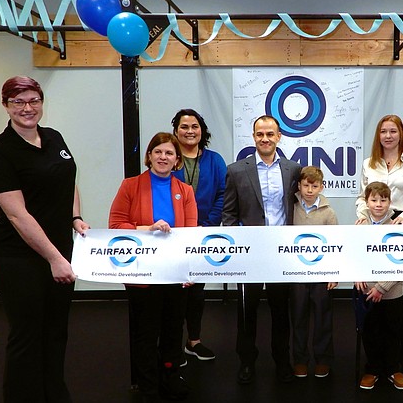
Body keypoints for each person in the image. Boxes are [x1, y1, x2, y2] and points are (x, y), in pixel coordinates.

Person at [0, 76, 90, 403]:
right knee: (27, 337)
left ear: (41, 102)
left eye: (33, 101)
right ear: (6, 106)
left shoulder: (54, 136)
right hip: (17, 259)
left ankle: (54, 395)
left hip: (59, 252)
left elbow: (68, 180)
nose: (27, 108)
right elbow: (18, 215)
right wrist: (54, 258)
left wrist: (75, 218)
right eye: (18, 102)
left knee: (55, 333)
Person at [109, 132, 197, 403]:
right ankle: (147, 384)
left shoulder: (186, 191)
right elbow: (116, 225)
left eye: (169, 153)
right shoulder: (130, 186)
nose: (163, 157)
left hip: (173, 274)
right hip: (142, 273)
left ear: (177, 161)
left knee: (172, 331)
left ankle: (170, 377)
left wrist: (190, 271)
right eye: (158, 152)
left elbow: (191, 234)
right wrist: (146, 229)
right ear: (149, 156)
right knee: (145, 333)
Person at [222, 114, 302, 384]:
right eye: (260, 134)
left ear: (279, 136)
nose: (265, 139)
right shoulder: (236, 170)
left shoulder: (294, 169)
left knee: (281, 311)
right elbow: (229, 214)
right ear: (253, 137)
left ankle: (282, 361)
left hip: (281, 251)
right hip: (250, 252)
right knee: (247, 311)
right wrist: (233, 252)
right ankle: (246, 362)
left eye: (270, 134)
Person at [355, 114, 403, 372]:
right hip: (374, 226)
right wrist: (363, 217)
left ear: (401, 134)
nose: (388, 136)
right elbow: (361, 197)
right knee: (376, 291)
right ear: (378, 135)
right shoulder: (369, 163)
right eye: (383, 131)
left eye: (393, 131)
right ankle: (375, 360)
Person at [172, 108, 226, 362]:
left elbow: (223, 195)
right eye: (184, 127)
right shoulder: (168, 157)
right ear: (176, 131)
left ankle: (193, 341)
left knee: (196, 292)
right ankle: (171, 345)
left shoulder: (215, 160)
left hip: (204, 233)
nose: (190, 131)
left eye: (194, 126)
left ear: (201, 130)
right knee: (172, 291)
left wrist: (207, 224)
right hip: (171, 236)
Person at [355, 182, 403, 391]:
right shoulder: (359, 225)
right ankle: (373, 370)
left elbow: (401, 262)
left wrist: (381, 287)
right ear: (366, 202)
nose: (378, 204)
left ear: (390, 202)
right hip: (366, 290)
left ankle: (394, 369)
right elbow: (354, 255)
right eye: (374, 200)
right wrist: (358, 275)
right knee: (370, 331)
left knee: (392, 332)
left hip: (392, 292)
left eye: (383, 200)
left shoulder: (398, 226)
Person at [290, 166, 338, 379]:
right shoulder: (290, 207)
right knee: (298, 318)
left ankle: (323, 360)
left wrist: (333, 274)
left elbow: (336, 245)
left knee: (322, 319)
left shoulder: (328, 212)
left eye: (314, 186)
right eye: (306, 185)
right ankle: (300, 360)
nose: (310, 190)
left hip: (321, 274)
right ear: (299, 186)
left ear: (322, 187)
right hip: (297, 273)